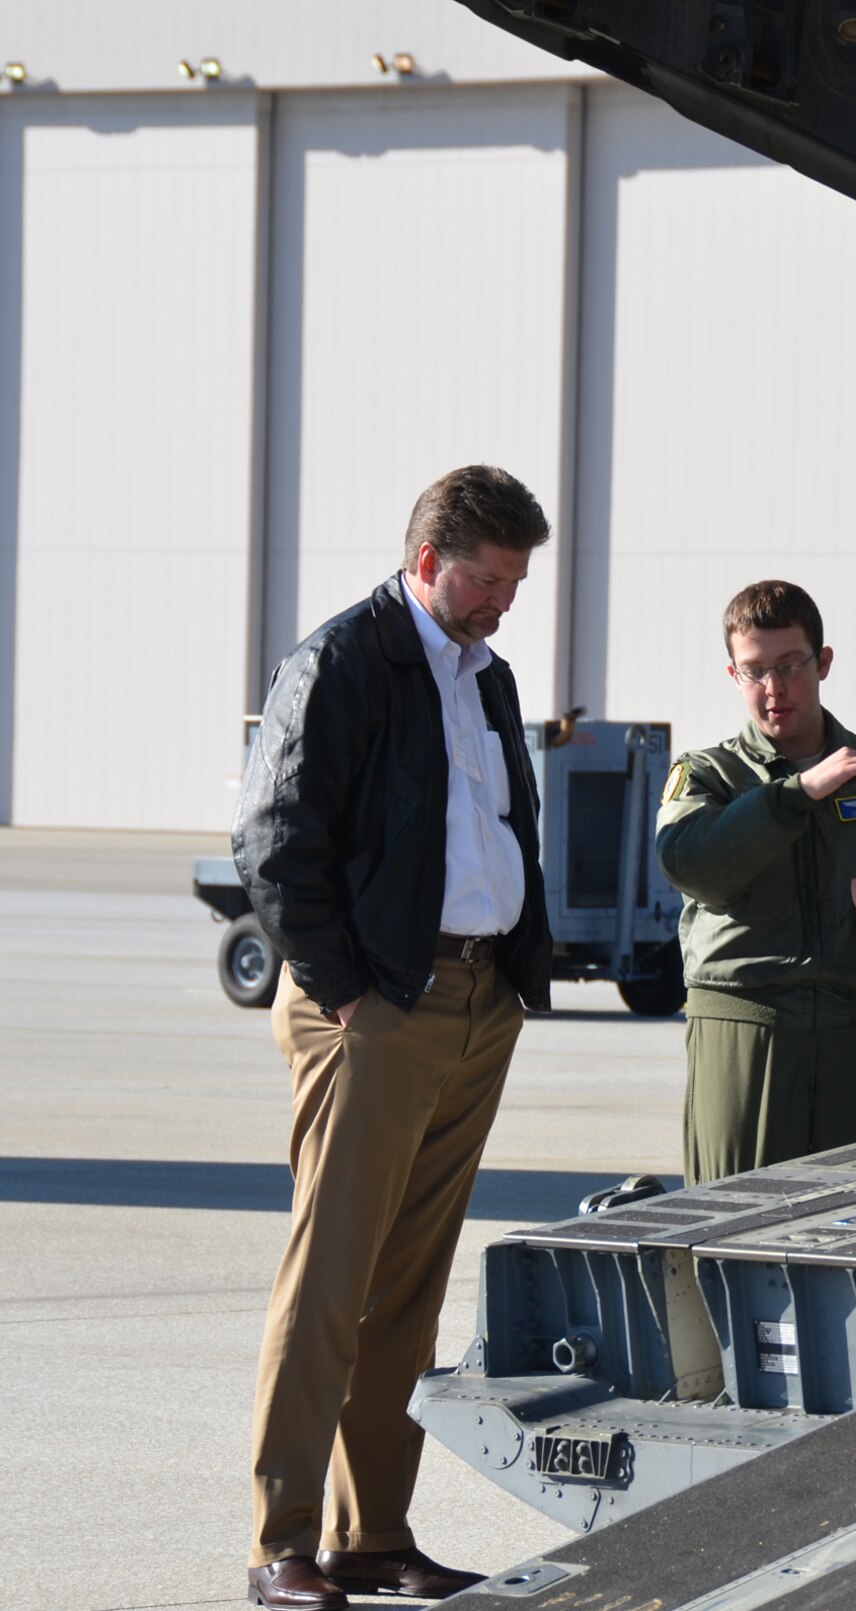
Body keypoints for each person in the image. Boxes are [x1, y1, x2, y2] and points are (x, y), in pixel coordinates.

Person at [232, 465, 554, 1610]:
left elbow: (497, 823)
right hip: (374, 1010)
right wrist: (347, 992)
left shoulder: (487, 675)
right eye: (488, 578)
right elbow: (272, 842)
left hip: (474, 1004)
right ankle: (285, 1543)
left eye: (516, 582)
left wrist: (512, 975)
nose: (503, 602)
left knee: (408, 1292)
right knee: (329, 1279)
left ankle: (375, 1538)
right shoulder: (341, 662)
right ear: (429, 561)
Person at [655, 579, 856, 1185]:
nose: (773, 690)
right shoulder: (707, 775)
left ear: (823, 662)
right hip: (747, 1033)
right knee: (733, 1229)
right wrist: (797, 793)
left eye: (790, 666)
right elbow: (691, 864)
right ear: (733, 675)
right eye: (754, 672)